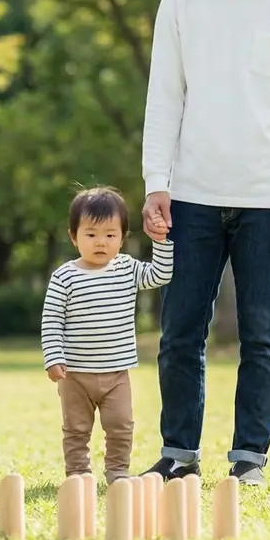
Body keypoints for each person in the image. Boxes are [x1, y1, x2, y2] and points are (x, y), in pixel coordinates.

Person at [139, 0, 270, 487]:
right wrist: (158, 182)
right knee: (178, 332)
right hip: (192, 193)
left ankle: (250, 458)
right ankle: (178, 453)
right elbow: (164, 95)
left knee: (262, 334)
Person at [41, 187, 173, 485]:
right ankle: (78, 473)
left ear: (122, 237)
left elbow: (160, 275)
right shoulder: (64, 277)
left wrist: (162, 242)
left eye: (110, 235)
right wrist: (54, 358)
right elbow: (51, 321)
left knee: (121, 425)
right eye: (91, 234)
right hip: (75, 373)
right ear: (74, 237)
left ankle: (117, 472)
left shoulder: (127, 268)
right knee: (76, 427)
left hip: (117, 373)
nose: (101, 242)